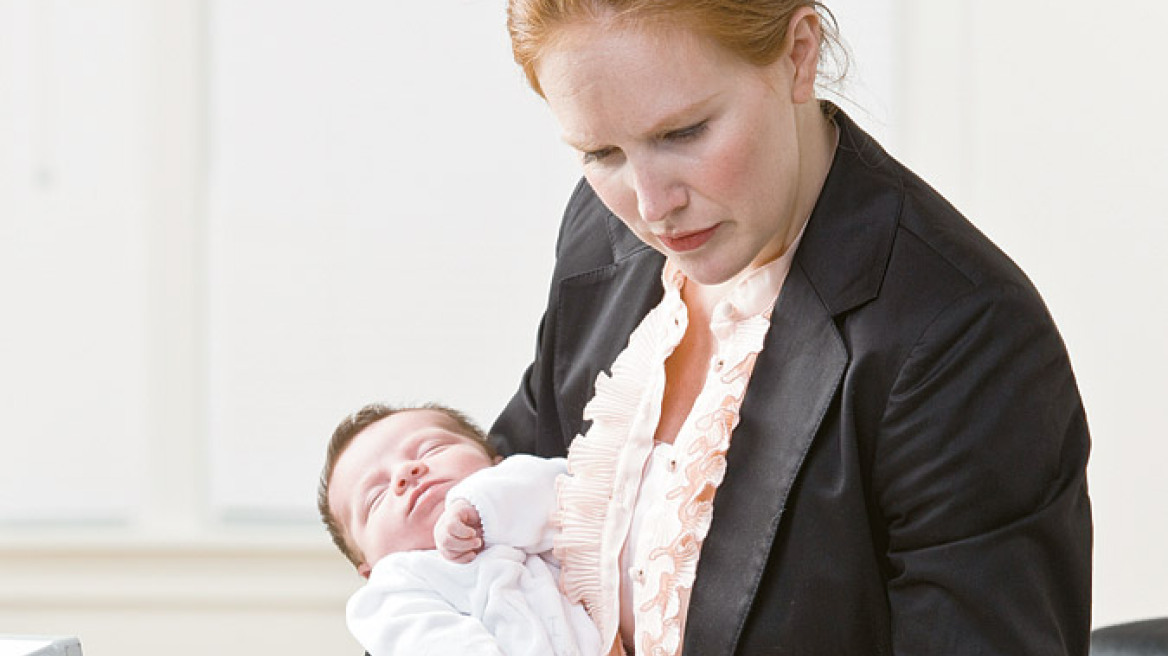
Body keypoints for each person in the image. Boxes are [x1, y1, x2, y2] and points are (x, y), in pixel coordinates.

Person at [488, 1, 1093, 655]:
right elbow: (483, 517)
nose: (651, 205)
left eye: (684, 132)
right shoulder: (602, 233)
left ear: (799, 52)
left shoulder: (963, 338)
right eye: (601, 151)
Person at [318, 402, 606, 656]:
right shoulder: (394, 590)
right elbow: (432, 643)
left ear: (496, 462)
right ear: (370, 569)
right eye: (375, 496)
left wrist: (480, 504)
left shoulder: (527, 495)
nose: (406, 472)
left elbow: (567, 488)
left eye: (432, 448)